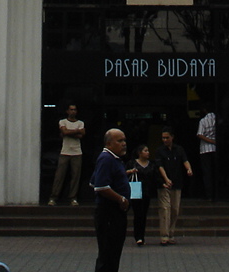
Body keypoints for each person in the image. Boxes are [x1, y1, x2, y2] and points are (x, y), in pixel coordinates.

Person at [91, 128, 131, 272]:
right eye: (120, 141)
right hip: (109, 213)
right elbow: (100, 186)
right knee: (108, 254)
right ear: (108, 143)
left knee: (113, 253)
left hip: (116, 214)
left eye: (124, 140)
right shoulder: (106, 159)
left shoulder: (114, 159)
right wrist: (121, 199)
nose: (124, 144)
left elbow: (94, 180)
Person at [154, 127, 193, 245]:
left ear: (172, 137)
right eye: (163, 138)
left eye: (167, 137)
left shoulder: (179, 149)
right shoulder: (159, 151)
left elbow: (185, 160)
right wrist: (165, 179)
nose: (165, 140)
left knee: (175, 209)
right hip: (164, 184)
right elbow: (160, 166)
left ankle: (171, 233)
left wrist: (189, 169)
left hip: (177, 182)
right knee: (165, 209)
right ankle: (164, 235)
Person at [49, 104, 86, 205]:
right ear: (67, 111)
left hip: (77, 152)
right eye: (71, 110)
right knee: (59, 175)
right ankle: (54, 197)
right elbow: (65, 132)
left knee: (75, 176)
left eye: (74, 110)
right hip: (65, 152)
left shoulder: (80, 123)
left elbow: (82, 134)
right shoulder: (63, 121)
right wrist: (76, 132)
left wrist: (68, 132)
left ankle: (73, 197)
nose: (73, 111)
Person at [127, 143, 158, 246]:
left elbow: (155, 176)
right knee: (138, 213)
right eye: (145, 151)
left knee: (144, 214)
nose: (148, 153)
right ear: (139, 153)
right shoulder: (132, 163)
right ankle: (138, 236)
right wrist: (131, 171)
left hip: (147, 191)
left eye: (148, 151)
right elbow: (123, 173)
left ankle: (142, 236)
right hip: (136, 190)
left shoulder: (151, 164)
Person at [196, 108, 218, 201]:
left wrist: (211, 141)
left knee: (207, 173)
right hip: (215, 149)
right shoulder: (216, 119)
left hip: (205, 149)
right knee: (214, 172)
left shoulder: (203, 120)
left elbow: (199, 134)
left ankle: (208, 195)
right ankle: (215, 194)